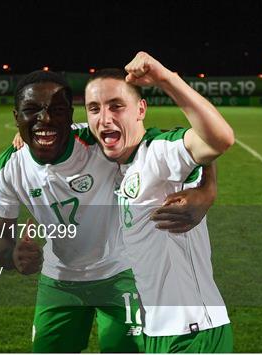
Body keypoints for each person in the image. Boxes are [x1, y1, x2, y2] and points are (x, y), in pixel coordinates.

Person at [0, 70, 218, 352]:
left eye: (57, 111)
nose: (45, 120)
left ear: (70, 114)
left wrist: (208, 190)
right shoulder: (7, 168)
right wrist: (12, 255)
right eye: (31, 111)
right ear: (16, 117)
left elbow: (182, 143)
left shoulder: (100, 142)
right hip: (59, 282)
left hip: (123, 275)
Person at [83, 52, 234, 353]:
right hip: (155, 330)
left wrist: (166, 78)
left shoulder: (159, 153)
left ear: (140, 109)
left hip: (192, 333)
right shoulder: (118, 160)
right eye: (94, 109)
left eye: (116, 106)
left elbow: (220, 139)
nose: (104, 118)